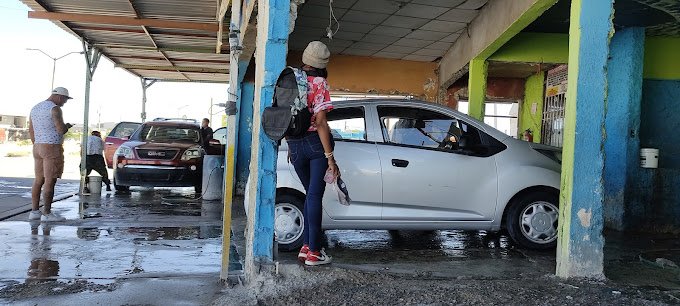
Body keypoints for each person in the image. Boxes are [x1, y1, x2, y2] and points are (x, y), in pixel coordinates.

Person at [287, 41, 339, 266]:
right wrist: (330, 158)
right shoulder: (319, 83)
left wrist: (290, 145)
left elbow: (284, 116)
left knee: (310, 194)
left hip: (294, 144)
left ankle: (306, 246)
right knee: (315, 196)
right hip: (313, 144)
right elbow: (320, 122)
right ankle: (315, 253)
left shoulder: (290, 79)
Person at [28, 87, 73, 222]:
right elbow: (60, 129)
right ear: (59, 97)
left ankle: (34, 211)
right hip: (52, 147)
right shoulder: (55, 109)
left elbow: (31, 130)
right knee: (50, 180)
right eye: (65, 99)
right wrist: (67, 126)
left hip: (37, 146)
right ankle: (47, 213)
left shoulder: (35, 108)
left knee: (38, 180)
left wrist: (37, 143)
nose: (64, 102)